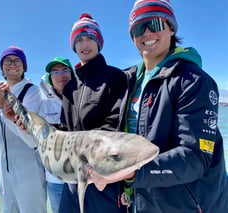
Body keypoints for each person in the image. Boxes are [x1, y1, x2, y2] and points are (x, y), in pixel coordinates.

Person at [88, 1, 228, 212]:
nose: (146, 33)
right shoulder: (128, 81)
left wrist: (133, 172)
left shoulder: (193, 80)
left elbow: (196, 157)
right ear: (132, 37)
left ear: (171, 27)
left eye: (153, 23)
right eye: (138, 28)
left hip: (187, 205)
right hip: (143, 200)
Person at [59, 13, 128, 213]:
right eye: (79, 40)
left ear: (99, 42)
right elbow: (64, 130)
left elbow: (114, 124)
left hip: (104, 179)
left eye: (90, 37)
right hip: (73, 180)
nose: (84, 44)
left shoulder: (116, 77)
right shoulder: (70, 86)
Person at [0, 46, 47, 213]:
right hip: (5, 172)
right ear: (1, 66)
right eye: (7, 60)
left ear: (24, 67)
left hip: (30, 170)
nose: (13, 64)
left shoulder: (32, 91)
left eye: (18, 61)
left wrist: (4, 106)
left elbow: (32, 139)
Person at [39, 57, 75, 213]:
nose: (61, 75)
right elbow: (39, 140)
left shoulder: (83, 99)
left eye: (65, 70)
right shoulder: (43, 105)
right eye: (55, 71)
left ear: (72, 74)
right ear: (50, 78)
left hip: (82, 177)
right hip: (55, 179)